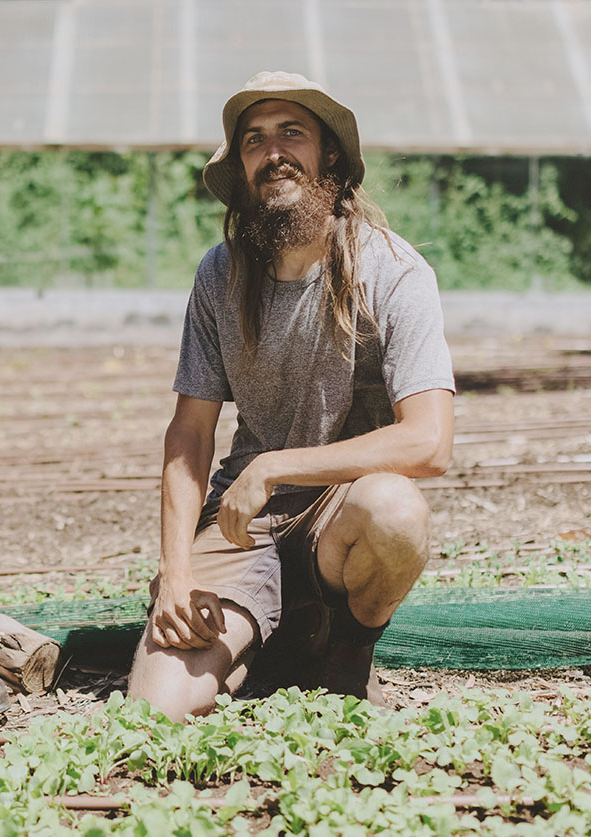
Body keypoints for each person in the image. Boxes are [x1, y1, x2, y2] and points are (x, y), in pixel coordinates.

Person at [128, 71, 455, 721]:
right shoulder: (220, 273)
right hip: (240, 522)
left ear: (328, 153)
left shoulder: (392, 270)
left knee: (395, 507)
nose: (272, 149)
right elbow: (188, 432)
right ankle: (269, 643)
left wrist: (275, 464)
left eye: (291, 132)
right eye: (254, 138)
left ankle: (347, 651)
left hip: (342, 515)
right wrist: (176, 569)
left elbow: (429, 440)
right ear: (242, 163)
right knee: (157, 710)